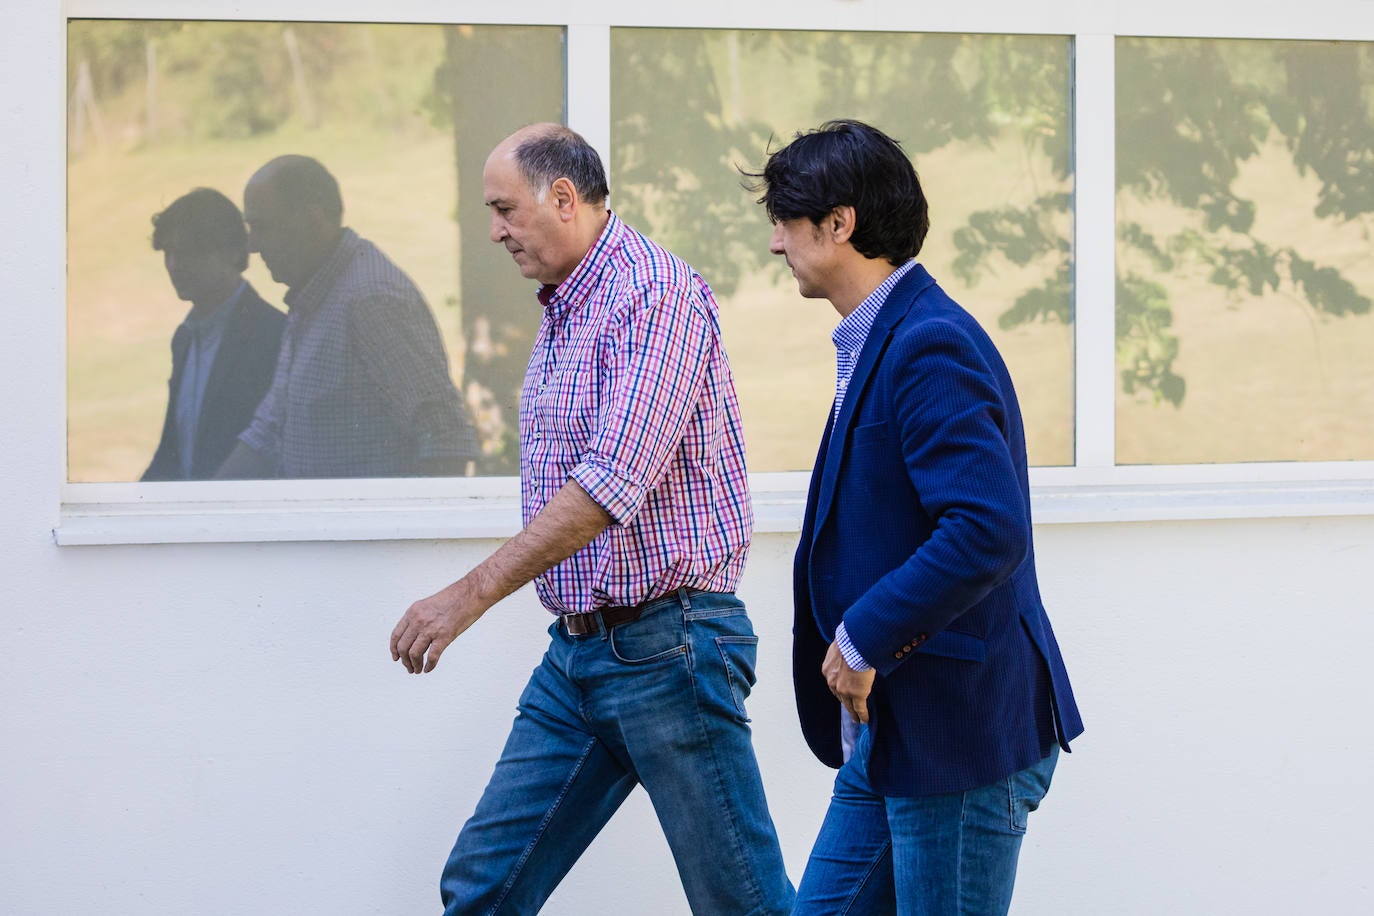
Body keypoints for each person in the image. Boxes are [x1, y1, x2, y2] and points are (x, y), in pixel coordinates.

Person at [389, 123, 794, 915]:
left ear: (563, 198)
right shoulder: (568, 307)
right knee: (482, 886)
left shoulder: (654, 295)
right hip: (576, 658)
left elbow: (612, 483)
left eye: (504, 209)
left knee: (743, 905)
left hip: (668, 649)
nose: (496, 230)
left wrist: (466, 596)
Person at [747, 119, 1084, 914]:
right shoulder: (882, 339)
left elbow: (984, 528)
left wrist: (862, 636)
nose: (774, 244)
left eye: (786, 220)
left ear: (840, 224)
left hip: (959, 741)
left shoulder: (928, 342)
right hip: (898, 733)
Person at [216, 155, 474, 478]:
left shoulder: (371, 300)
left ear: (313, 220)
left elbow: (445, 439)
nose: (252, 246)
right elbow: (268, 430)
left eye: (263, 227)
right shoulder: (314, 291)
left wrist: (406, 527)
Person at [142, 188, 284, 481]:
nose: (175, 265)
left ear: (233, 251)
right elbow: (173, 451)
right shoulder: (184, 339)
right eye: (169, 252)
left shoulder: (274, 334)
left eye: (190, 251)